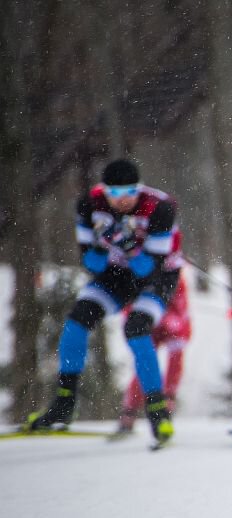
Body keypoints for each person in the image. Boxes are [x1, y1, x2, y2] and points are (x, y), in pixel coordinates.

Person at [24, 159, 183, 446]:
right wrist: (101, 243)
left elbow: (149, 269)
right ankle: (64, 402)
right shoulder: (89, 204)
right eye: (115, 194)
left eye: (130, 193)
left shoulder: (159, 208)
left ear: (140, 189)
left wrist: (129, 246)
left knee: (136, 329)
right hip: (114, 275)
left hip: (156, 277)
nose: (122, 201)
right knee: (77, 321)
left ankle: (158, 412)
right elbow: (91, 263)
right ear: (105, 191)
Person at [115, 272, 191, 436]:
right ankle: (130, 410)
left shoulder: (175, 277)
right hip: (147, 324)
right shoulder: (136, 272)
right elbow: (129, 308)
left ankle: (167, 402)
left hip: (172, 324)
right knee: (145, 362)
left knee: (175, 356)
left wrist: (170, 323)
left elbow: (182, 310)